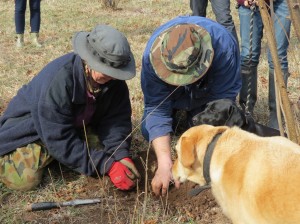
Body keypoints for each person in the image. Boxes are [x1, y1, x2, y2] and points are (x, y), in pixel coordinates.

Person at [0, 24, 140, 191]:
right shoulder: (58, 81)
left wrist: (121, 155)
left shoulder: (114, 80)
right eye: (106, 71)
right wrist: (105, 165)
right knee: (25, 180)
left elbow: (117, 120)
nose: (111, 77)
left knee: (106, 151)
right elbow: (57, 137)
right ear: (88, 60)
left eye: (115, 73)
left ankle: (64, 158)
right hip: (35, 129)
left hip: (73, 125)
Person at [140, 15, 241, 196]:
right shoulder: (151, 58)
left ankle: (191, 113)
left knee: (200, 130)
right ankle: (181, 110)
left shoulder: (223, 46)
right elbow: (157, 108)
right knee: (148, 131)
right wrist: (165, 163)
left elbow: (221, 105)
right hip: (175, 95)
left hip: (206, 93)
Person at [237, 0, 291, 129]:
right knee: (248, 56)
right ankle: (246, 110)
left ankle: (276, 114)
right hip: (250, 4)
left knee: (278, 58)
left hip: (281, 3)